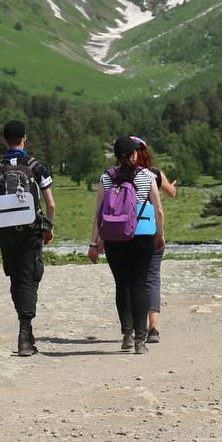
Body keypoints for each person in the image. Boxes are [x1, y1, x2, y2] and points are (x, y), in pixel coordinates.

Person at [0, 120, 56, 356]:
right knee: (30, 278)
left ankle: (25, 329)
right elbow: (50, 203)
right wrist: (48, 228)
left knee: (16, 278)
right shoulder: (36, 166)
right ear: (24, 139)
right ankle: (25, 333)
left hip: (5, 233)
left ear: (3, 140)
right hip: (30, 232)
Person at [88, 136, 164, 354]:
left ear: (115, 156)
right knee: (140, 285)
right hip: (142, 236)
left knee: (122, 285)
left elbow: (99, 213)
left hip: (114, 237)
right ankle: (141, 341)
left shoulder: (106, 178)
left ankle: (127, 336)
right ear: (135, 154)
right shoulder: (147, 176)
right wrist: (160, 234)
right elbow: (158, 209)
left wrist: (94, 242)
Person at [134, 137, 177, 343]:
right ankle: (153, 328)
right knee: (152, 278)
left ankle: (135, 327)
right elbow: (171, 193)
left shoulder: (118, 175)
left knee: (132, 280)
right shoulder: (155, 174)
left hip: (126, 233)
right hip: (150, 230)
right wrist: (172, 185)